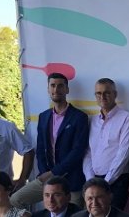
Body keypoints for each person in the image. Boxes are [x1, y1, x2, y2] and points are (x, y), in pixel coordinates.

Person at [11, 73, 89, 209]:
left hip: (71, 181)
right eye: (52, 86)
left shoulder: (79, 117)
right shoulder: (44, 117)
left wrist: (54, 173)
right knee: (15, 200)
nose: (56, 89)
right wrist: (43, 173)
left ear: (67, 90)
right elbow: (40, 149)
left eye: (60, 86)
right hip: (47, 178)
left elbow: (77, 151)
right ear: (48, 89)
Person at [82, 78, 129, 211]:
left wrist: (106, 182)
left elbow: (124, 153)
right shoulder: (92, 120)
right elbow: (88, 152)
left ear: (115, 94)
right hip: (94, 182)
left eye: (107, 93)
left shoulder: (126, 118)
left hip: (116, 182)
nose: (102, 96)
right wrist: (90, 180)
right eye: (98, 93)